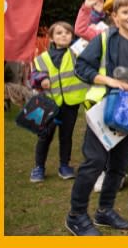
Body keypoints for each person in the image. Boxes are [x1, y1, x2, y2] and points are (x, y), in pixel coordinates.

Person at [65, 0, 128, 236]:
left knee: (119, 166)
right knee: (95, 162)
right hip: (103, 110)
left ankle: (104, 211)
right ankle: (76, 216)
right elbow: (82, 67)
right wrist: (109, 80)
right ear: (115, 16)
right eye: (126, 12)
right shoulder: (105, 39)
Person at [31, 21, 86, 182]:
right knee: (44, 136)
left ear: (72, 36)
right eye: (59, 33)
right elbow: (34, 75)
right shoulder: (42, 58)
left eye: (67, 33)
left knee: (66, 135)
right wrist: (42, 79)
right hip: (49, 103)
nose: (64, 35)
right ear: (52, 38)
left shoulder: (77, 54)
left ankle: (64, 166)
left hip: (70, 104)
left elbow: (88, 34)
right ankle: (39, 167)